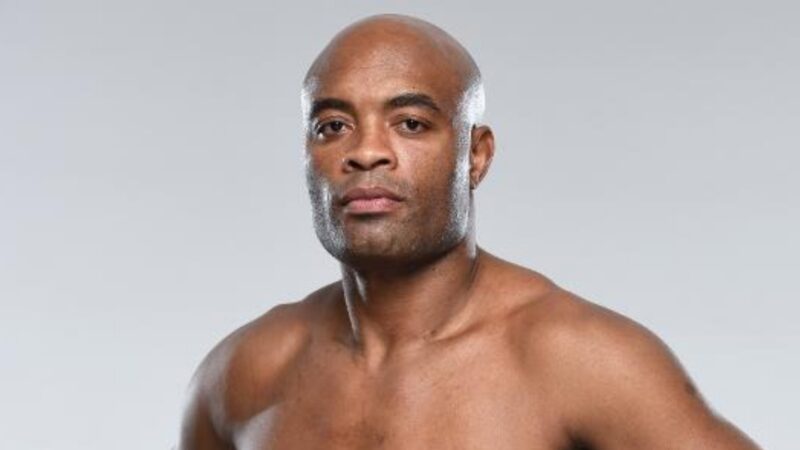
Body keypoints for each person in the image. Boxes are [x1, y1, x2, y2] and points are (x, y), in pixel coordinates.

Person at [178, 14, 760, 450]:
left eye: (410, 123)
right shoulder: (242, 374)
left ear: (475, 156)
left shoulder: (581, 363)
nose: (367, 152)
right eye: (333, 126)